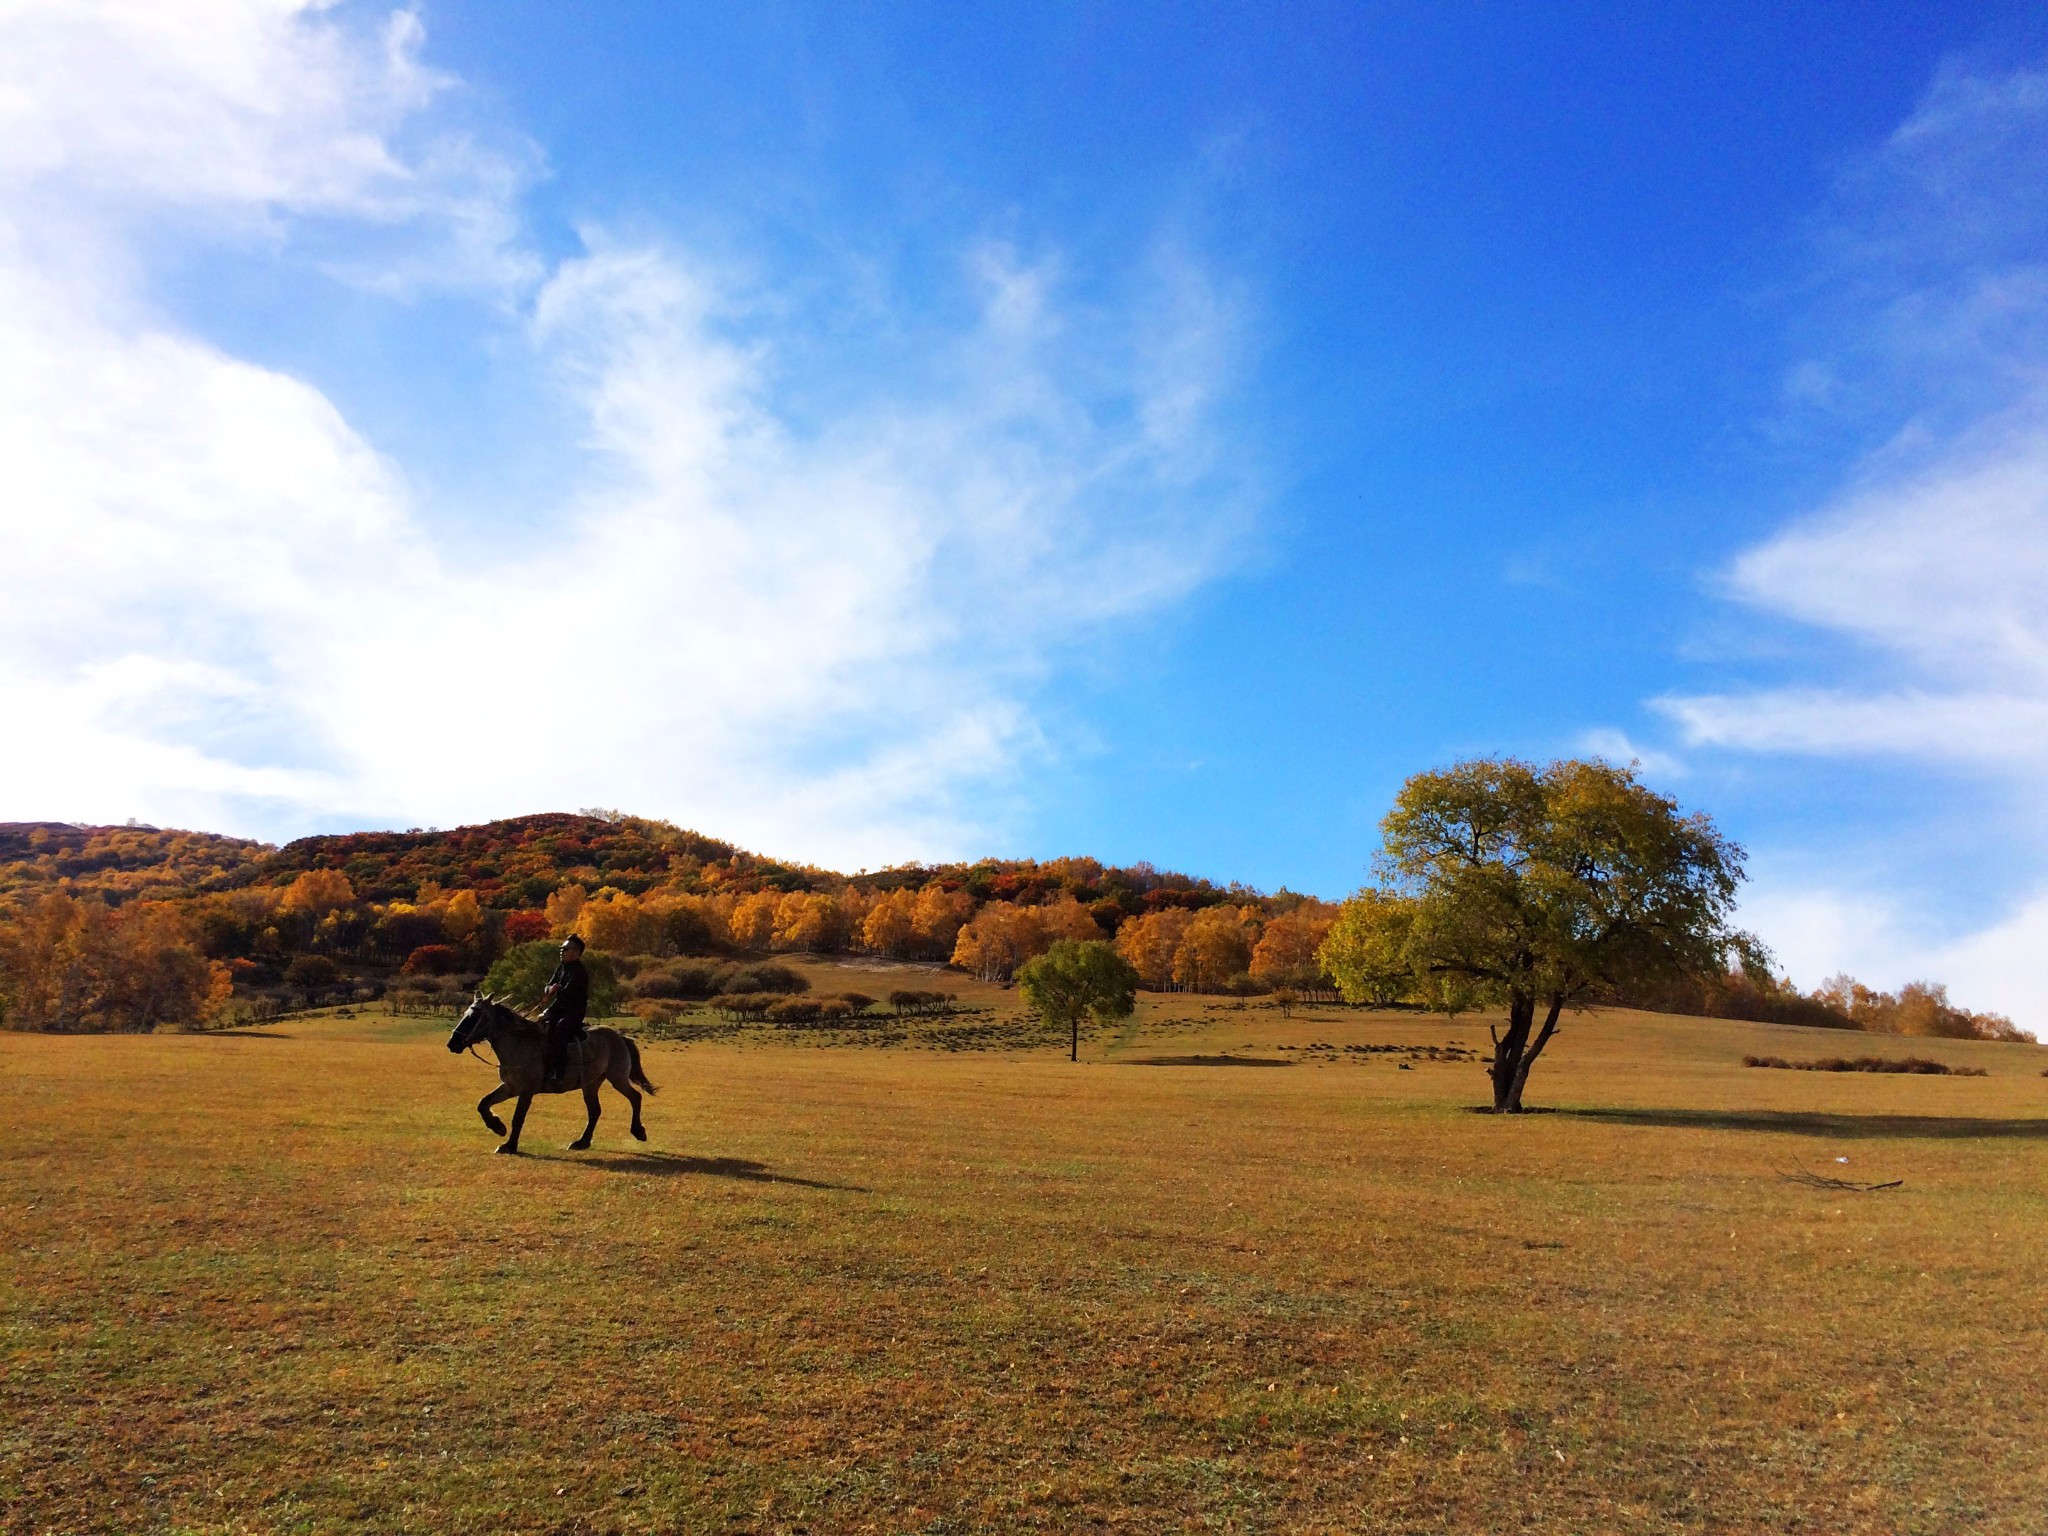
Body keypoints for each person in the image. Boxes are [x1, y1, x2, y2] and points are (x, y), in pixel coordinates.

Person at [537, 935, 591, 1089]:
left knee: (560, 1032)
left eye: (565, 949)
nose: (561, 951)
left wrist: (555, 993)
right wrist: (550, 989)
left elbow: (568, 993)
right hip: (559, 1008)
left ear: (576, 952)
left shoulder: (580, 971)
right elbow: (549, 985)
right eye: (561, 948)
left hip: (573, 1011)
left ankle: (558, 1074)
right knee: (539, 1028)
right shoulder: (562, 967)